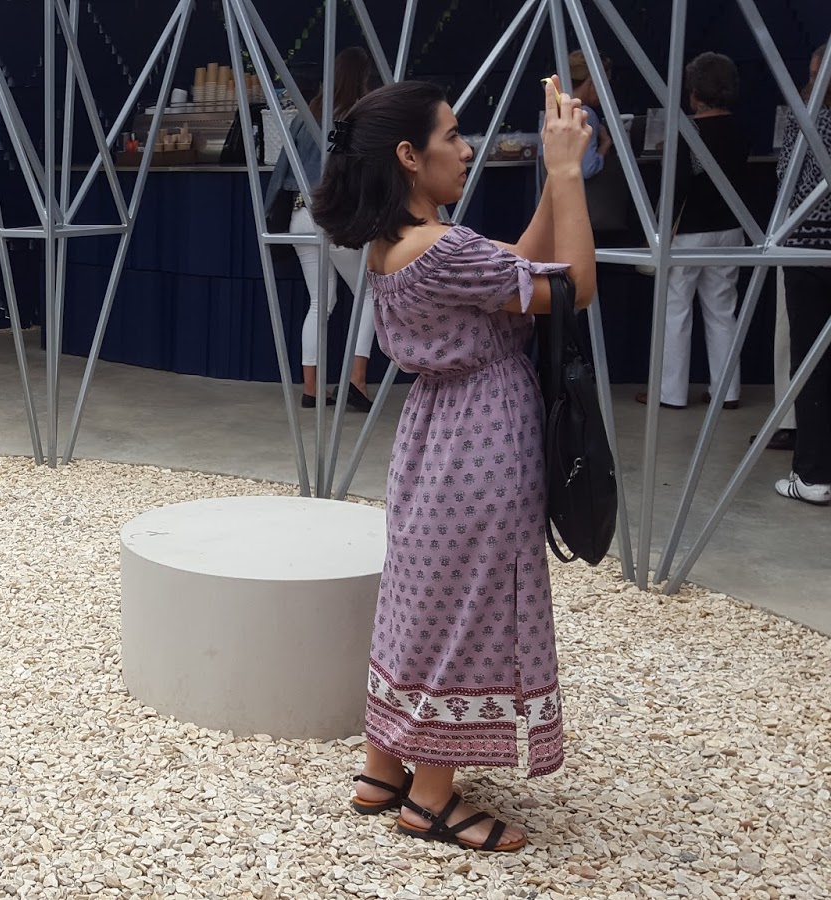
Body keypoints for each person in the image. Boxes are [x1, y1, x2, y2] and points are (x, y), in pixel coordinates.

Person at [310, 76, 597, 851]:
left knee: (422, 598)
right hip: (483, 439)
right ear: (409, 156)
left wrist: (552, 175)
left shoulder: (402, 244)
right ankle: (432, 798)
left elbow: (521, 261)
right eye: (452, 136)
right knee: (471, 607)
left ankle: (384, 768)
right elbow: (575, 288)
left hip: (435, 437)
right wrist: (568, 172)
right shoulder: (443, 250)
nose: (466, 149)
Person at [265, 46, 377, 411]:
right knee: (370, 294)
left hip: (301, 214)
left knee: (320, 303)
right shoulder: (357, 117)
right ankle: (356, 381)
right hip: (336, 214)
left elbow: (281, 170)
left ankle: (312, 389)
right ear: (363, 78)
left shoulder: (306, 114)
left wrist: (269, 211)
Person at [636, 52, 747, 411]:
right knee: (722, 310)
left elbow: (679, 185)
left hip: (689, 232)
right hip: (730, 229)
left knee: (676, 310)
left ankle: (670, 393)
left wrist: (661, 227)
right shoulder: (740, 129)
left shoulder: (688, 131)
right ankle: (727, 391)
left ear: (696, 91)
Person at [776, 43, 831, 504]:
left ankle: (812, 474)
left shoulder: (805, 118)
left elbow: (788, 182)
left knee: (812, 363)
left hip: (807, 249)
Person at [568, 50, 614, 179]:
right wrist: (605, 143)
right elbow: (587, 169)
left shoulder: (554, 110)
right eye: (604, 85)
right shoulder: (584, 114)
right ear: (592, 81)